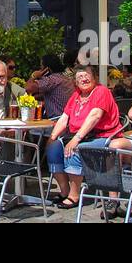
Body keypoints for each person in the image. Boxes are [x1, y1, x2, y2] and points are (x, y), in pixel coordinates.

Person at [44, 66, 123, 209]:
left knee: (74, 150)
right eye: (80, 77)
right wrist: (53, 137)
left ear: (94, 78)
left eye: (87, 75)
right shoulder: (76, 96)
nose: (84, 79)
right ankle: (64, 190)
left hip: (101, 135)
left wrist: (77, 138)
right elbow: (64, 118)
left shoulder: (101, 91)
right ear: (75, 81)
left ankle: (74, 196)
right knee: (53, 149)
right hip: (79, 136)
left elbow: (95, 116)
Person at [25, 53, 74, 119]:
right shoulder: (65, 79)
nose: (40, 69)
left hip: (56, 120)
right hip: (68, 119)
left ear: (46, 69)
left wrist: (34, 76)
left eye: (41, 67)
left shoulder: (51, 80)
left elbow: (28, 88)